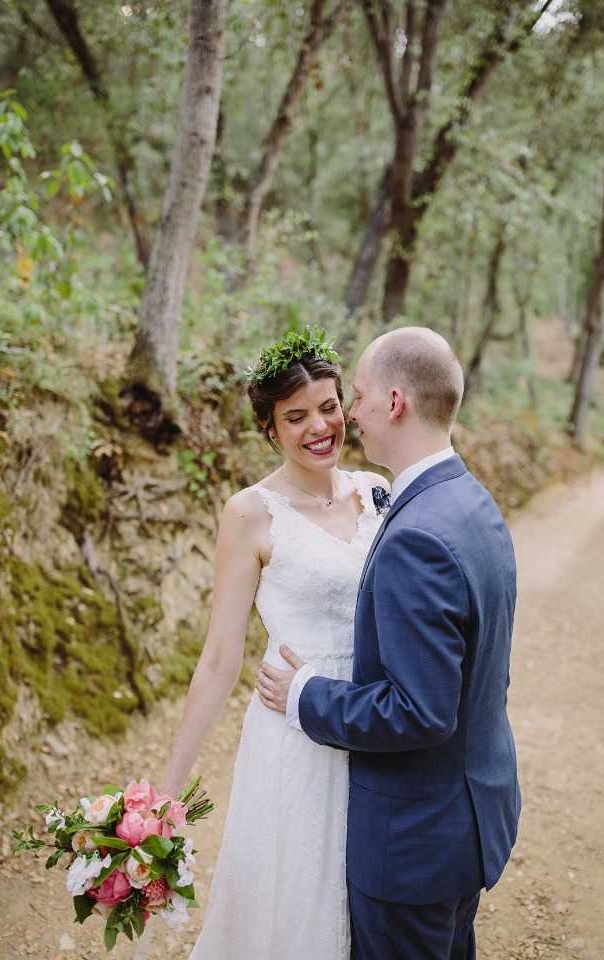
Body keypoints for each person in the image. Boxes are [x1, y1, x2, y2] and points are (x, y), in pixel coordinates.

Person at [256, 327, 521, 960]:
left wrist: (305, 696)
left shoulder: (416, 536)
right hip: (467, 819)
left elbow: (421, 711)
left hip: (413, 842)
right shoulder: (470, 501)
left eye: (361, 395)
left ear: (395, 403)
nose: (350, 413)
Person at [161, 326, 388, 960]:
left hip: (372, 720)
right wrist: (168, 788)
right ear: (269, 427)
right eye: (296, 416)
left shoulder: (379, 492)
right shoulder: (251, 512)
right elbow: (218, 656)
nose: (319, 426)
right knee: (294, 901)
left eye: (329, 406)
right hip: (293, 733)